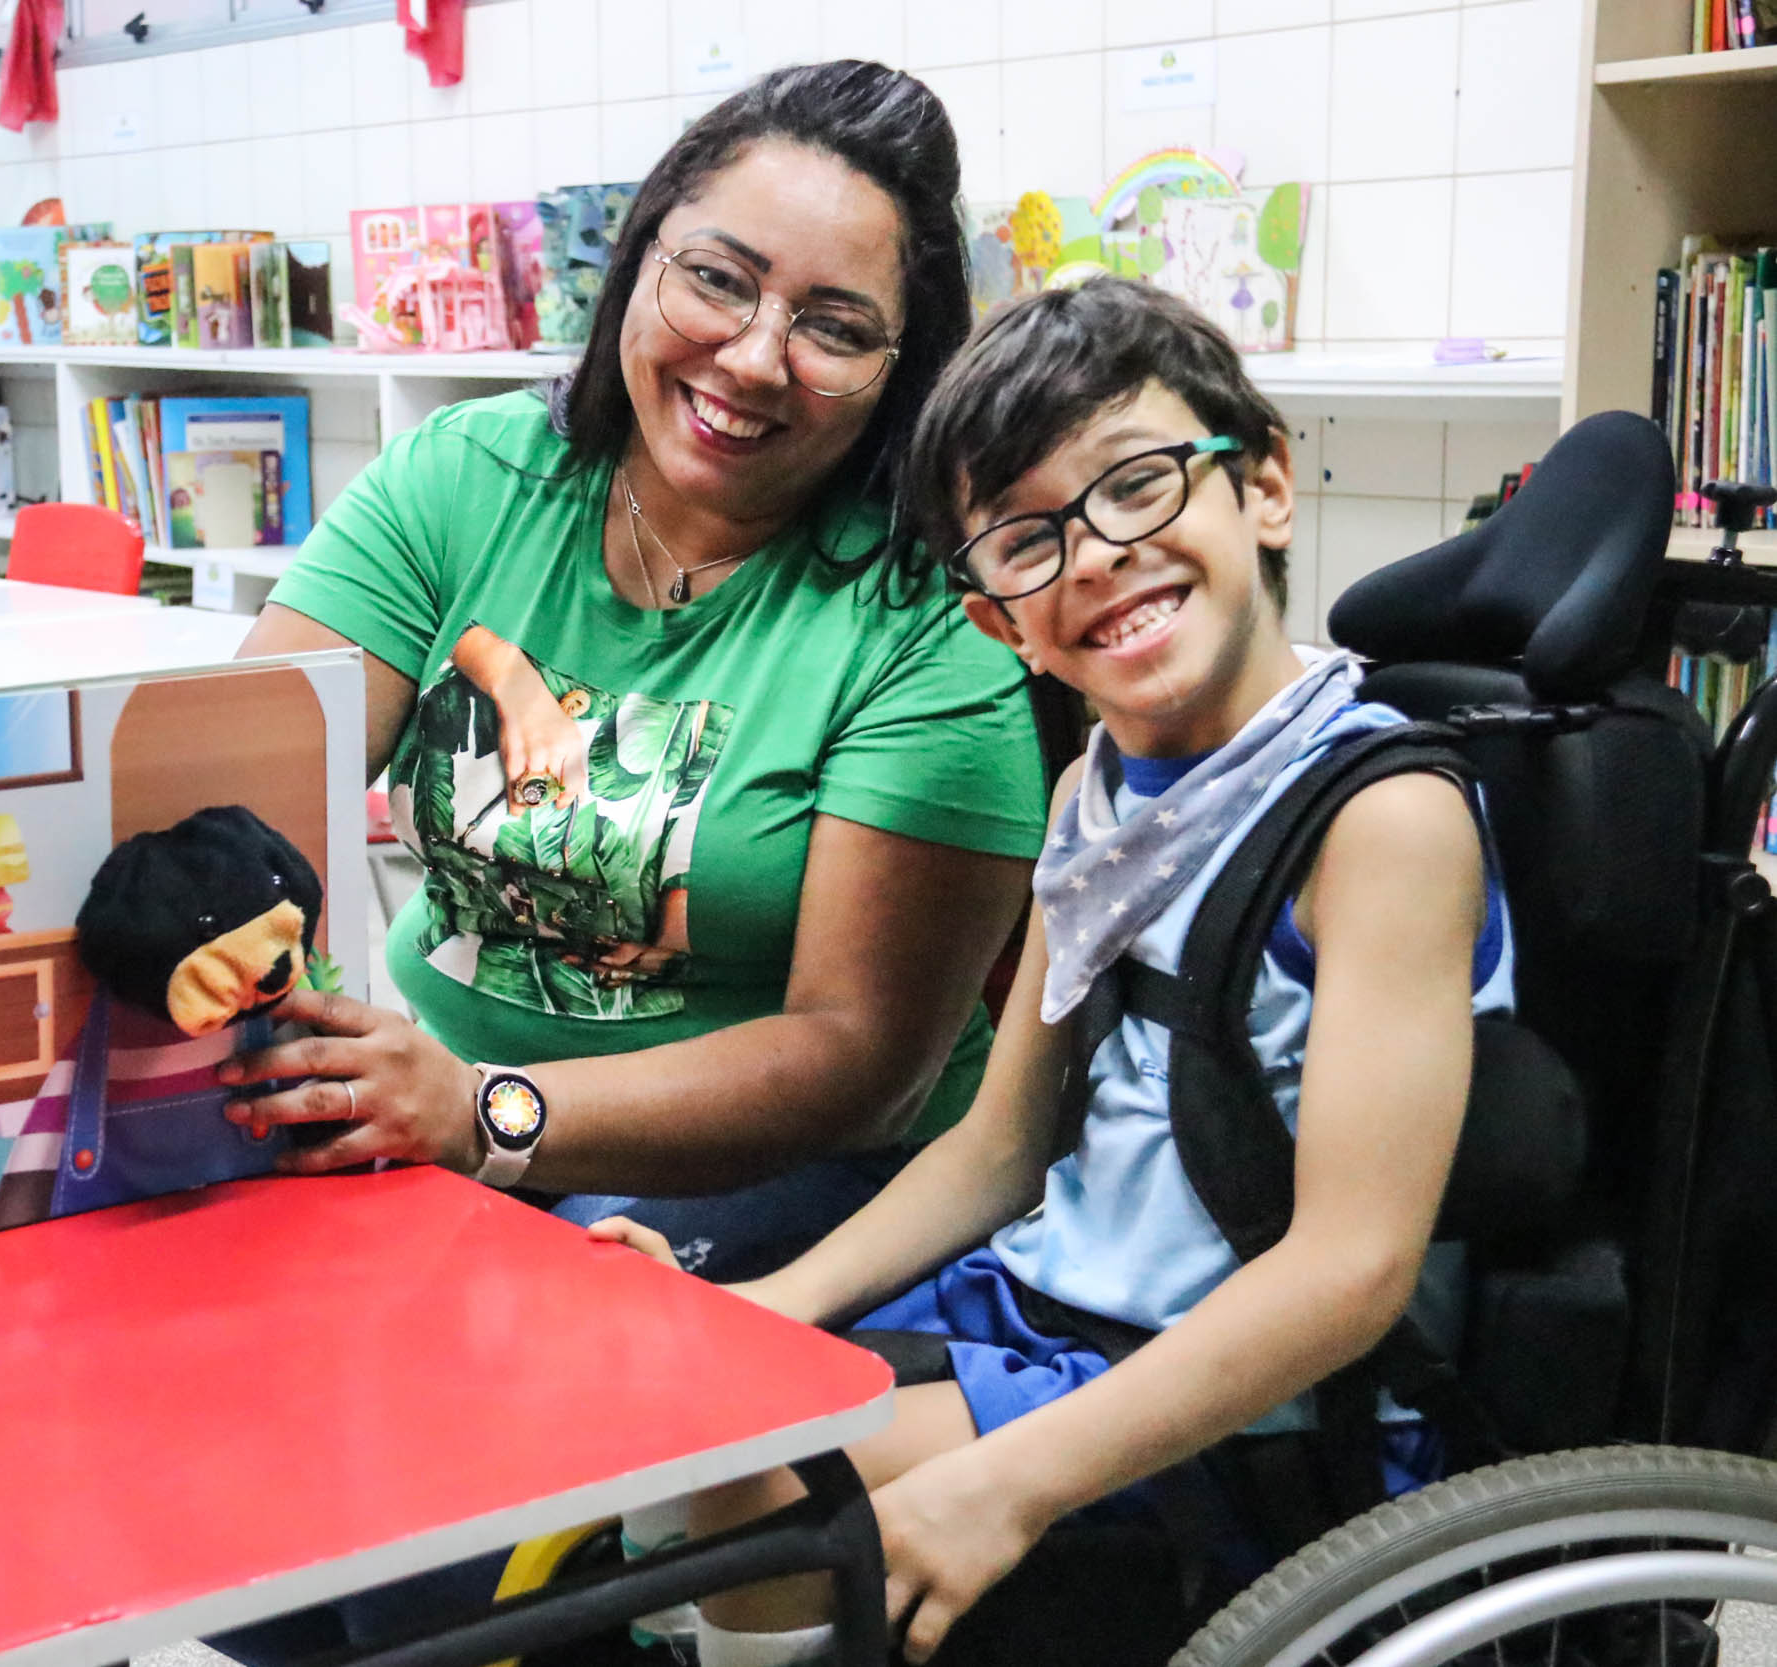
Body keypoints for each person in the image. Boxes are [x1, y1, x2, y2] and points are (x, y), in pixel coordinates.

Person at [592, 276, 1515, 1666]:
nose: (1095, 556)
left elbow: (1351, 1269)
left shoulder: (1380, 817)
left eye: (1137, 484)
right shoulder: (1100, 786)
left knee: (765, 1493)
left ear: (1263, 482)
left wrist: (1004, 1480)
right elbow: (1002, 1142)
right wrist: (761, 1310)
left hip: (1249, 1408)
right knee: (692, 1411)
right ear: (997, 619)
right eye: (1028, 537)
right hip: (1051, 1313)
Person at [221, 61, 1047, 1287]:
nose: (755, 357)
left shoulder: (930, 618)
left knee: (511, 1359)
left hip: (781, 1172)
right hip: (424, 1102)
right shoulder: (468, 475)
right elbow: (239, 793)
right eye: (717, 279)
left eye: (834, 326)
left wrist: (482, 1110)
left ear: (901, 371)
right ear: (640, 261)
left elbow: (857, 1057)